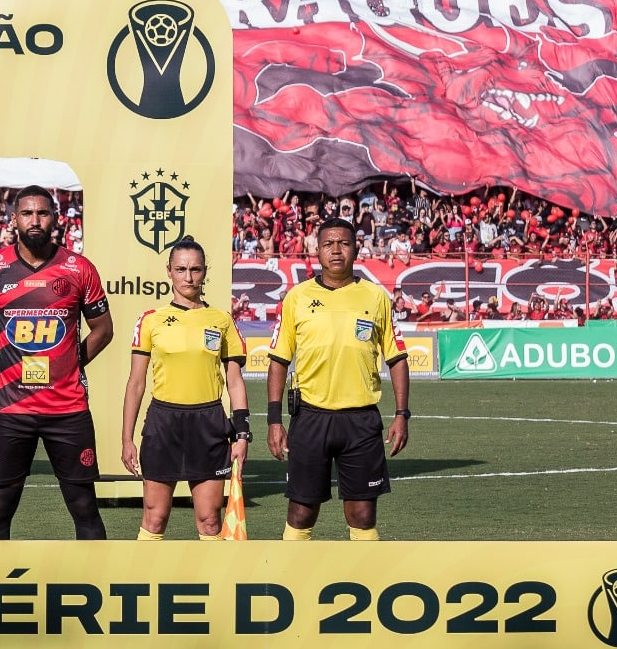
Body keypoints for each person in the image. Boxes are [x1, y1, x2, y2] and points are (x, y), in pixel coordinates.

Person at [0, 185, 114, 539]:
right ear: (14, 219)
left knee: (84, 508)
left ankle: (96, 587)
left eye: (42, 213)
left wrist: (72, 364)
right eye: (27, 213)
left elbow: (103, 330)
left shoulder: (78, 268)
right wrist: (3, 362)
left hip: (67, 409)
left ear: (56, 218)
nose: (35, 220)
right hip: (11, 410)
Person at [266, 217, 410, 541]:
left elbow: (397, 359)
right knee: (301, 512)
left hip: (360, 420)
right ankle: (292, 582)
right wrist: (275, 420)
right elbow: (278, 361)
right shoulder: (297, 298)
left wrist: (402, 414)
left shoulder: (375, 298)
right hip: (310, 417)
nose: (336, 250)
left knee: (362, 514)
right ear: (317, 250)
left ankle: (364, 582)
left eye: (343, 243)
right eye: (329, 244)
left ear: (356, 248)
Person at [120, 236, 249, 540]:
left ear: (205, 271)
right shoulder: (151, 320)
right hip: (163, 423)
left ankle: (214, 585)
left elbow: (234, 381)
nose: (188, 277)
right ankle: (145, 585)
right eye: (181, 269)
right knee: (154, 518)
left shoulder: (221, 320)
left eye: (195, 270)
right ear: (169, 271)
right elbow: (136, 382)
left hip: (209, 424)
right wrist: (127, 438)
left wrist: (242, 434)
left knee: (209, 521)